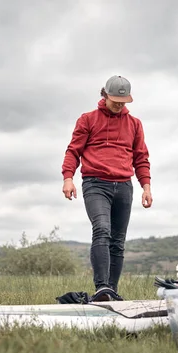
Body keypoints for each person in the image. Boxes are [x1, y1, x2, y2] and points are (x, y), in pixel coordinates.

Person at [61, 75, 153, 301]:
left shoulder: (134, 124)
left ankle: (111, 291)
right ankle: (102, 287)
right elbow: (73, 151)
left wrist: (146, 187)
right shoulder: (88, 119)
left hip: (124, 186)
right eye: (115, 100)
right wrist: (68, 178)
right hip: (95, 183)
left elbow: (141, 157)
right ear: (104, 95)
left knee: (118, 242)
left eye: (124, 101)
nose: (120, 104)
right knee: (102, 229)